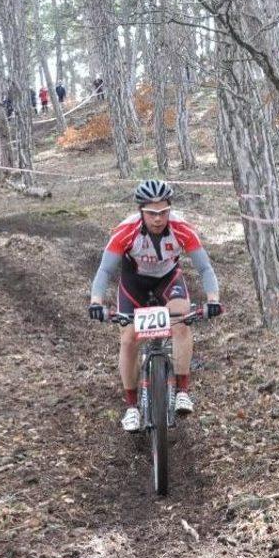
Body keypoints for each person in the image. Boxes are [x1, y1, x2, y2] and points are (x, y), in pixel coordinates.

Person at [88, 180, 222, 432]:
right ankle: (131, 407)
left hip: (168, 280)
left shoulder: (182, 228)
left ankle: (182, 390)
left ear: (170, 209)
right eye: (151, 213)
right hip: (134, 283)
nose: (158, 219)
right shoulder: (126, 230)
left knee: (182, 320)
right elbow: (105, 270)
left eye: (163, 212)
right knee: (128, 339)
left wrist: (213, 299)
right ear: (141, 211)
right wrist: (96, 302)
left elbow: (205, 268)